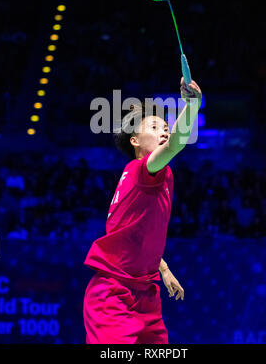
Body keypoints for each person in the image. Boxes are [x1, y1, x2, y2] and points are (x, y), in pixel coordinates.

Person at [83, 76, 202, 344]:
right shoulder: (141, 170)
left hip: (146, 294)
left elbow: (132, 231)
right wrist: (192, 106)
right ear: (135, 141)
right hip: (113, 297)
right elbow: (176, 145)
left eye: (166, 126)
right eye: (155, 126)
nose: (165, 130)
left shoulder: (150, 176)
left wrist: (164, 268)